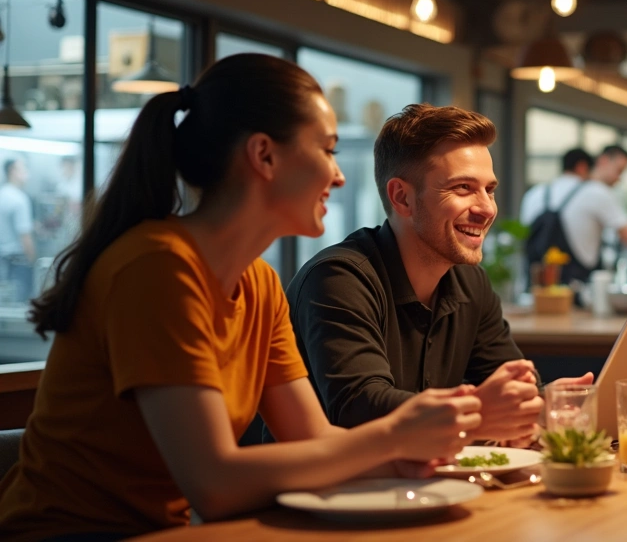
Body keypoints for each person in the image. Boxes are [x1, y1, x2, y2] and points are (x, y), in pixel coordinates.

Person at [0, 55, 481, 541]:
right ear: (264, 155)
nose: (338, 176)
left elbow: (314, 440)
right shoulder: (158, 267)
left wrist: (407, 462)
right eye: (328, 150)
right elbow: (215, 484)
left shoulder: (260, 285)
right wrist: (394, 437)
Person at [283, 104, 591, 447]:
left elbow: (510, 382)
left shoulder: (470, 283)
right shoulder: (338, 279)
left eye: (489, 190)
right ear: (402, 197)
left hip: (420, 486)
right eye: (462, 188)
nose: (487, 208)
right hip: (325, 494)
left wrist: (541, 402)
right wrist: (479, 412)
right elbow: (359, 407)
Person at [520, 144, 627, 287]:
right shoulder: (596, 191)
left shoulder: (535, 193)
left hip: (534, 292)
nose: (618, 179)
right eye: (619, 171)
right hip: (576, 293)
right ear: (583, 166)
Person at [519, 148, 592, 284]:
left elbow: (523, 236)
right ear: (582, 167)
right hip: (573, 284)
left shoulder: (534, 193)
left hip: (534, 283)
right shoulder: (591, 192)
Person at [0, 157, 35, 302]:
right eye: (23, 169)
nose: (27, 173)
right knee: (20, 306)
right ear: (12, 171)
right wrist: (33, 261)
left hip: (3, 259)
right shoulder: (20, 199)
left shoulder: (2, 194)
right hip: (19, 262)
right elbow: (24, 236)